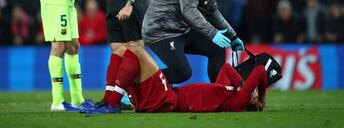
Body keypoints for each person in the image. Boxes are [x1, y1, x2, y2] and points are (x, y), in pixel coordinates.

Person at [142, 0, 245, 84]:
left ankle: (220, 93)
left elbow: (213, 14)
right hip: (159, 30)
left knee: (217, 47)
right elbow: (189, 11)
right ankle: (136, 86)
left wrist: (233, 36)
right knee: (181, 73)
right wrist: (212, 33)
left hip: (179, 29)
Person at [81, 44, 267, 114]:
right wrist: (242, 84)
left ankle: (111, 105)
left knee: (135, 49)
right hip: (167, 97)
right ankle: (107, 101)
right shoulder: (229, 93)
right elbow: (226, 68)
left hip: (167, 99)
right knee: (120, 50)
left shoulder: (240, 101)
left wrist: (261, 96)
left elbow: (260, 71)